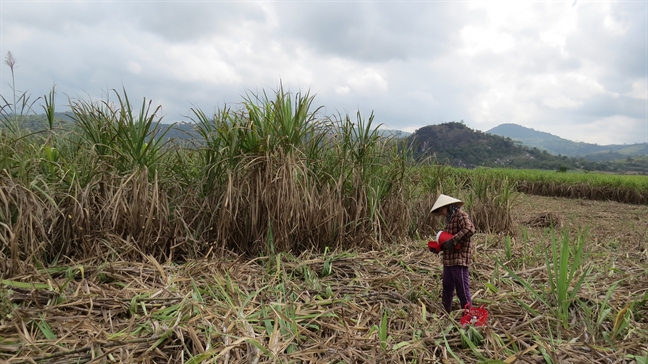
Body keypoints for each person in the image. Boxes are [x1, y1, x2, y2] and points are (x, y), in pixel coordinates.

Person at [430, 194, 476, 313]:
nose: (442, 213)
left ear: (448, 206)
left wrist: (454, 240)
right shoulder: (449, 220)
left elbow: (469, 229)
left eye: (442, 210)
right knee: (447, 288)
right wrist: (438, 247)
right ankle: (445, 313)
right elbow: (448, 241)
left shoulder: (461, 215)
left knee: (462, 290)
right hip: (448, 260)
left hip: (459, 259)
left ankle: (469, 316)